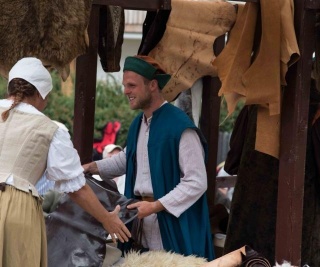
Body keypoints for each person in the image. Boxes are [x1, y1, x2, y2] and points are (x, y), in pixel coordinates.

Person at [0, 57, 131, 267]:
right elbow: (76, 188)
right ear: (42, 94)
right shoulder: (51, 129)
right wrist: (106, 218)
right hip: (17, 209)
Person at [83, 55, 214, 260]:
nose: (126, 91)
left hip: (172, 224)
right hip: (141, 221)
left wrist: (154, 206)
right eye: (125, 85)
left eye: (132, 85)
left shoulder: (180, 126)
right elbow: (128, 160)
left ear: (152, 85)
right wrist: (91, 167)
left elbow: (197, 181)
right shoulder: (138, 124)